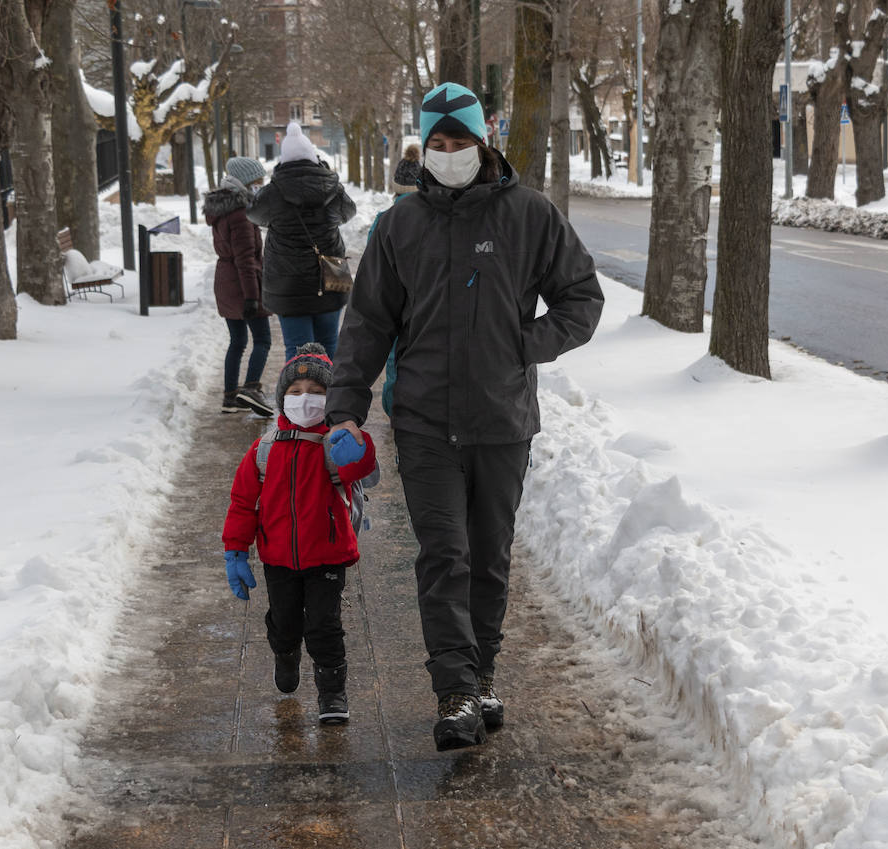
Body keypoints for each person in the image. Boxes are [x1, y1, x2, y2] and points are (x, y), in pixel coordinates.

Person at [325, 82, 605, 751]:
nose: (450, 153)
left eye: (461, 142)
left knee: (489, 558)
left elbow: (581, 297)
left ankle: (481, 674)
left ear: (485, 142)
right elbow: (367, 325)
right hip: (423, 420)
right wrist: (345, 408)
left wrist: (525, 346)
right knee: (444, 554)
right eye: (440, 143)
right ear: (427, 146)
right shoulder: (400, 225)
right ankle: (454, 691)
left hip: (502, 420)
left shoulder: (530, 215)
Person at [222, 343, 378, 725]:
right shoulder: (264, 450)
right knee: (286, 621)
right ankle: (285, 652)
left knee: (325, 625)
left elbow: (365, 468)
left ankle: (332, 693)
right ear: (282, 399)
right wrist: (236, 551)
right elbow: (243, 501)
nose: (305, 399)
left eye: (316, 392)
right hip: (278, 557)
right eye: (295, 392)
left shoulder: (333, 445)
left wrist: (357, 446)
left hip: (329, 552)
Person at [247, 122, 357, 362]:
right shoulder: (332, 187)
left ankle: (299, 398)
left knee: (298, 350)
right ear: (313, 157)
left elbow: (254, 215)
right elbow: (349, 212)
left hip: (288, 283)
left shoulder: (273, 192)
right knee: (330, 345)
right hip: (331, 275)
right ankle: (332, 398)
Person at [205, 157, 275, 416]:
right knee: (263, 340)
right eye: (258, 181)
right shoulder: (241, 215)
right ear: (246, 182)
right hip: (243, 284)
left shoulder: (223, 208)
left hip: (225, 280)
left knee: (237, 341)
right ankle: (250, 389)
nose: (261, 184)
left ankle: (230, 396)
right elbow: (246, 259)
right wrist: (252, 297)